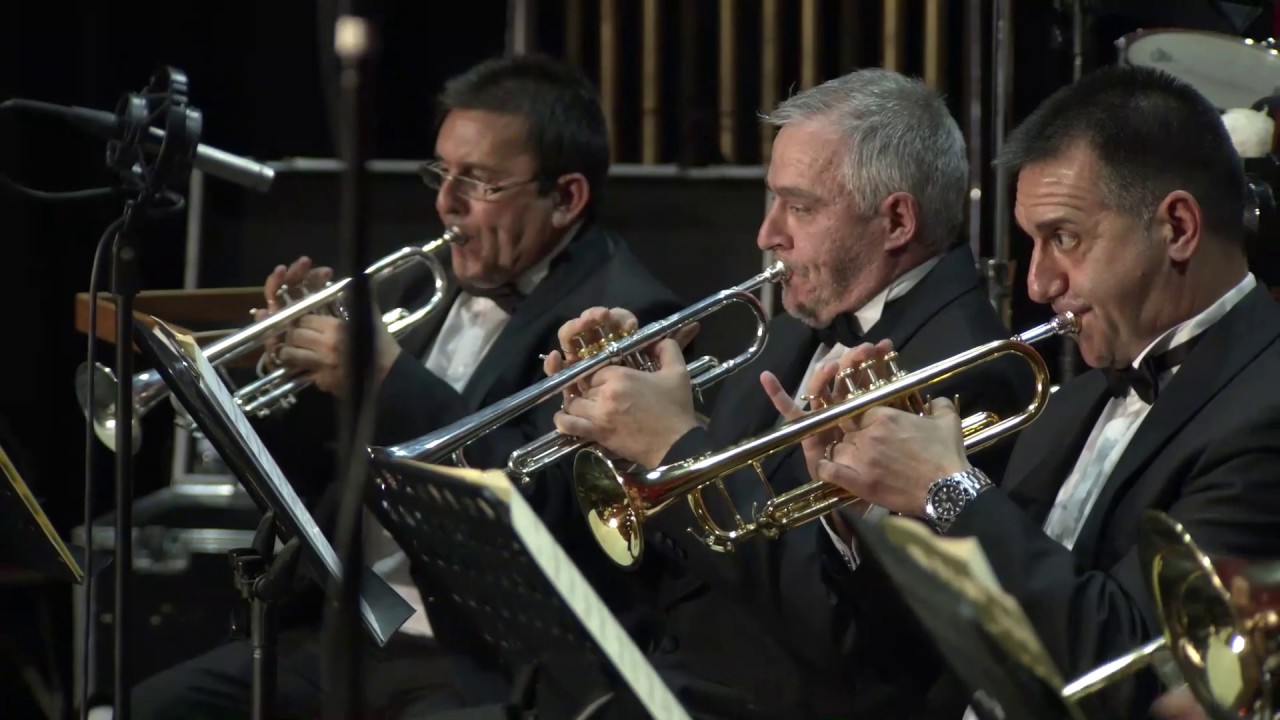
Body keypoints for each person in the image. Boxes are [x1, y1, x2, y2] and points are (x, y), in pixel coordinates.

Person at [129, 53, 688, 720]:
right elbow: (329, 475)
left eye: (477, 182)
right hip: (349, 630)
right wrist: (298, 368)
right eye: (440, 173)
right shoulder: (448, 279)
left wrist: (387, 378)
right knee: (153, 708)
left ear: (566, 197)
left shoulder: (627, 318)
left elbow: (551, 509)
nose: (444, 203)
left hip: (478, 662)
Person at [545, 67, 1033, 719]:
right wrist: (630, 434)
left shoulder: (966, 368)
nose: (767, 234)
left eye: (800, 207)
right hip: (673, 676)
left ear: (895, 220)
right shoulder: (787, 335)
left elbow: (849, 638)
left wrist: (676, 443)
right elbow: (707, 550)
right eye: (771, 201)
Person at [814, 64, 1280, 720]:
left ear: (1177, 227)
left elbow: (1135, 666)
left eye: (1064, 238)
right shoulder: (1070, 402)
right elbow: (947, 644)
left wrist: (950, 489)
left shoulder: (1265, 410)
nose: (1037, 284)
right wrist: (863, 504)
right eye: (1032, 243)